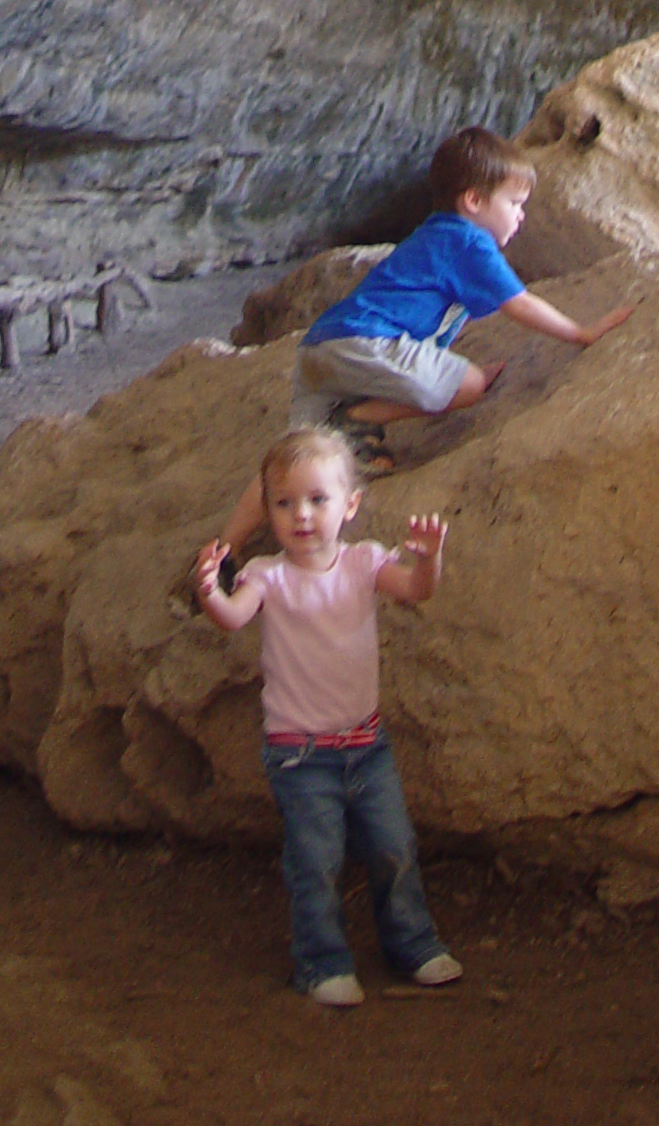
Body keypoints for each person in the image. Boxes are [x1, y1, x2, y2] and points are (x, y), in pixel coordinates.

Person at [217, 124, 635, 558]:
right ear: (473, 200)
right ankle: (354, 419)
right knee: (469, 385)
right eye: (514, 203)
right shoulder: (469, 240)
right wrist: (581, 333)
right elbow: (519, 303)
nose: (521, 216)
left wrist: (441, 367)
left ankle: (220, 555)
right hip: (364, 345)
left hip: (322, 348)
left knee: (289, 462)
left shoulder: (432, 234)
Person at [195, 426, 461, 1006]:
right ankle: (321, 963)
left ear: (351, 504)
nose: (303, 515)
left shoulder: (364, 562)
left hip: (367, 745)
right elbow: (234, 618)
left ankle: (412, 945)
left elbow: (417, 590)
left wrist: (431, 559)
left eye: (318, 499)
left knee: (395, 845)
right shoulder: (268, 574)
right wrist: (213, 593)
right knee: (315, 860)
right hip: (299, 754)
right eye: (285, 503)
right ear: (269, 512)